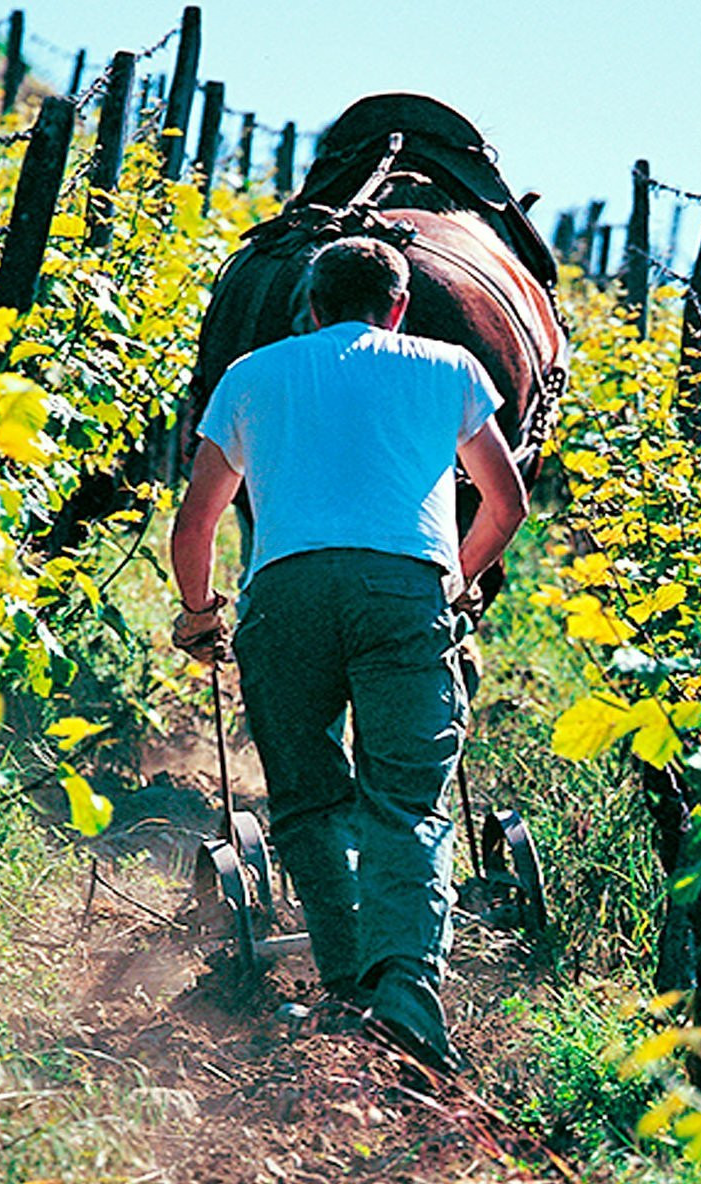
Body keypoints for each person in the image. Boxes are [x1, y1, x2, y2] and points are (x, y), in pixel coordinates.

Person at [168, 236, 529, 1074]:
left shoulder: (252, 375)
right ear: (399, 306)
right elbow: (505, 504)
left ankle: (346, 988)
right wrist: (455, 579)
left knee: (307, 801)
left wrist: (198, 614)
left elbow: (197, 527)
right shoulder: (448, 368)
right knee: (406, 800)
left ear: (312, 306)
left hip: (285, 598)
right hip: (404, 591)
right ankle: (405, 990)